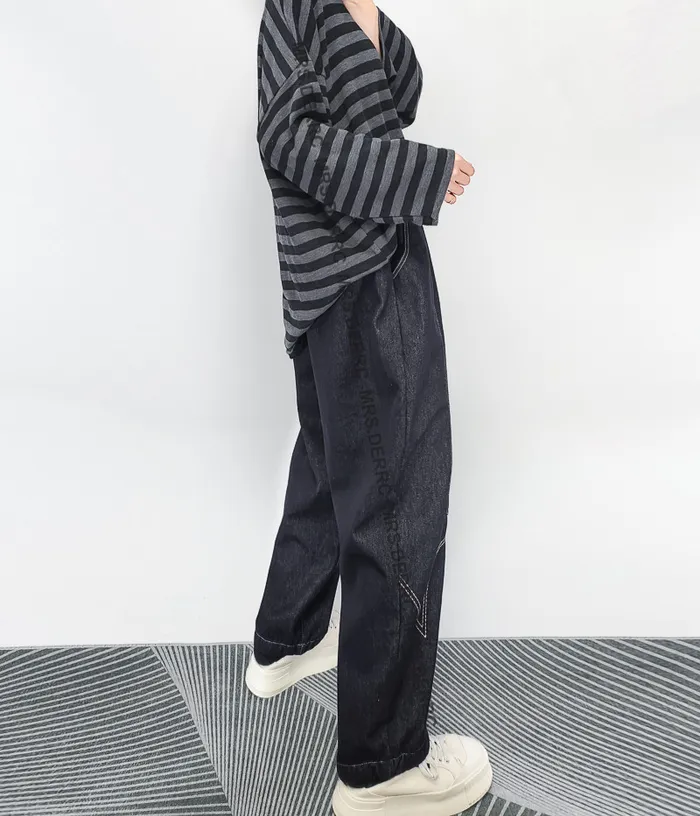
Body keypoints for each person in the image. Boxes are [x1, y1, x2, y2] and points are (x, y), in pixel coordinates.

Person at [247, 1, 492, 813]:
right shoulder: (295, 7)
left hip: (347, 280)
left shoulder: (337, 10)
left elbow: (402, 94)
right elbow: (288, 139)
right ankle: (383, 766)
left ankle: (286, 641)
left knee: (330, 468)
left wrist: (368, 15)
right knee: (399, 506)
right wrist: (420, 176)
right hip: (360, 282)